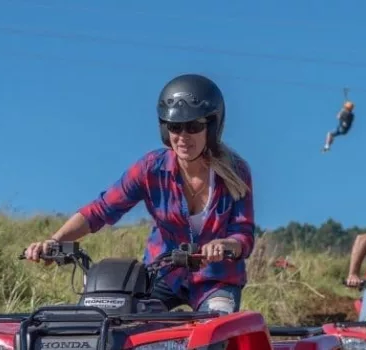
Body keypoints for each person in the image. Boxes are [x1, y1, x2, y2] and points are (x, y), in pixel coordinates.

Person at [23, 73, 256, 315]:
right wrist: (55, 240)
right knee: (127, 327)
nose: (183, 137)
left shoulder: (236, 172)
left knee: (215, 330)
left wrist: (225, 245)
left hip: (216, 281)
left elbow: (244, 235)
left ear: (212, 127)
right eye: (175, 127)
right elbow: (100, 210)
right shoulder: (150, 169)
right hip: (165, 275)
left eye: (193, 127)